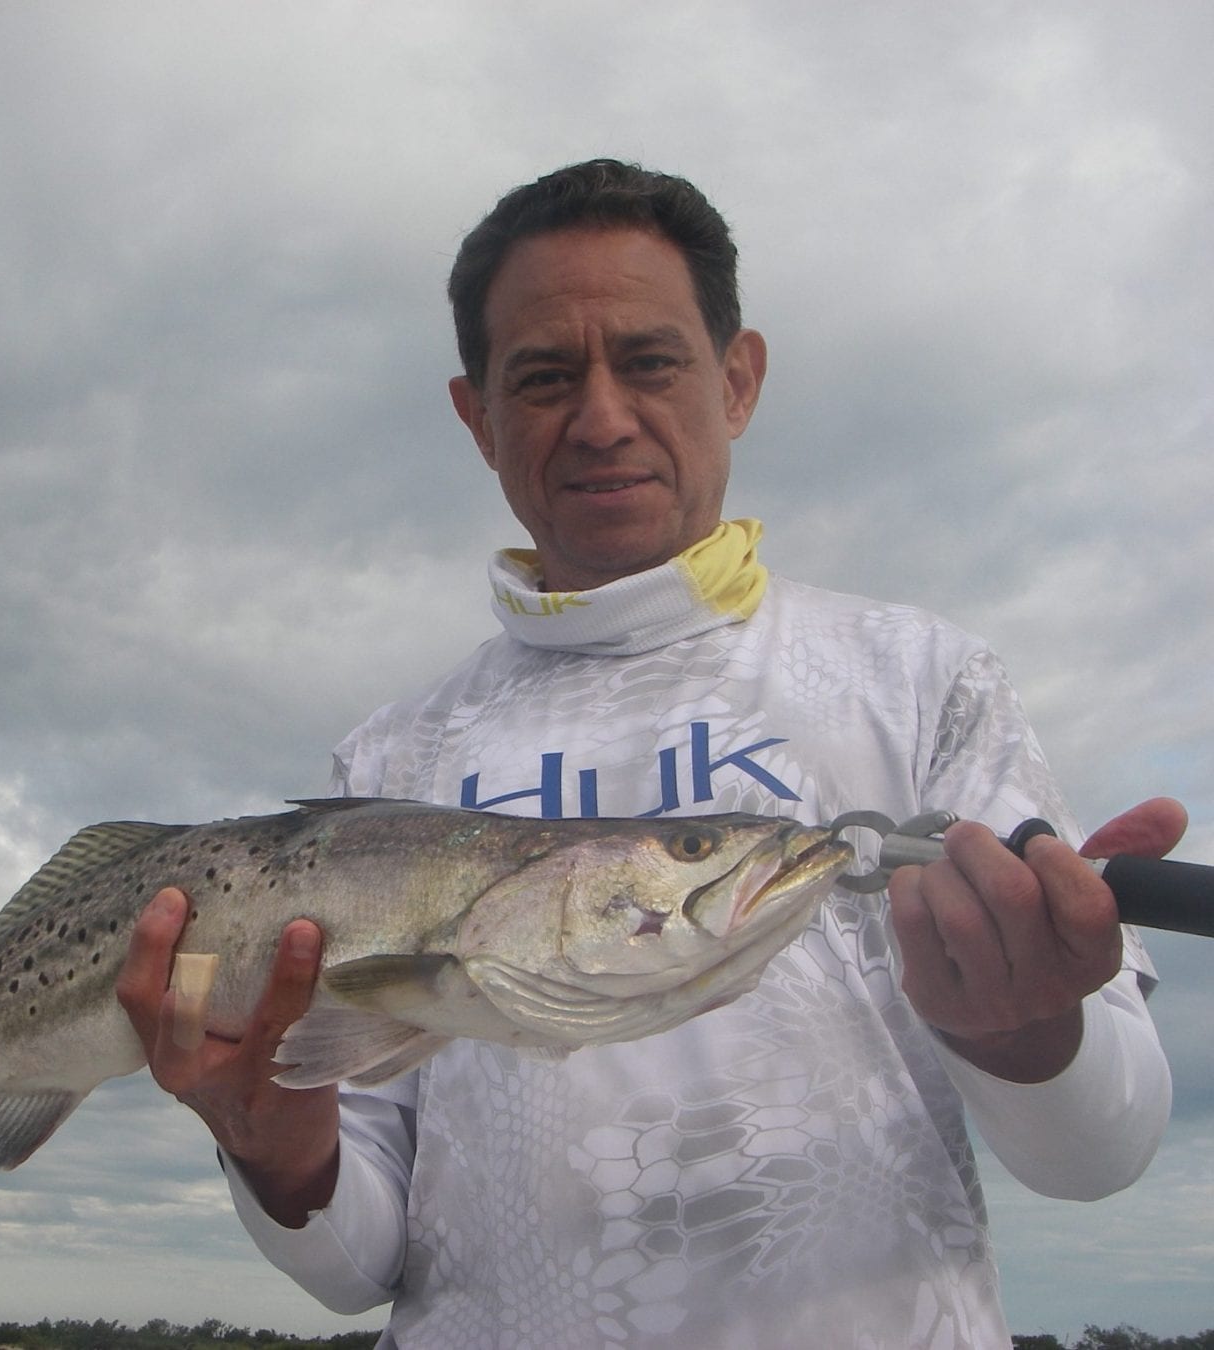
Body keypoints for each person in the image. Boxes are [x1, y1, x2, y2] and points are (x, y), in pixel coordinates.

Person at [116, 160, 1178, 1348]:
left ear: (739, 380)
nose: (604, 416)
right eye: (545, 376)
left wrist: (1027, 1032)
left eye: (651, 361)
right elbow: (362, 1266)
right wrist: (274, 1144)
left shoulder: (923, 680)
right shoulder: (387, 761)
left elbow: (1102, 1153)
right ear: (479, 419)